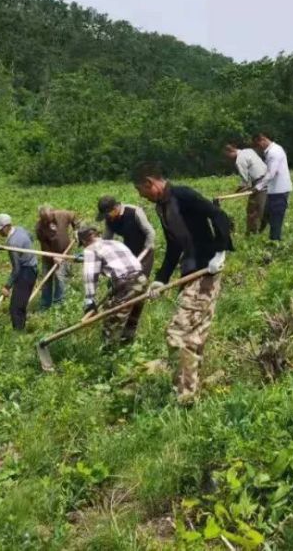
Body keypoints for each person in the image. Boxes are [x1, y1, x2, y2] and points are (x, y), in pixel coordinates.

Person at [133, 162, 233, 404]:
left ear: (151, 183)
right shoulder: (162, 208)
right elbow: (174, 245)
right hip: (189, 270)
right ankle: (190, 390)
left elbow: (218, 214)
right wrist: (160, 280)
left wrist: (220, 251)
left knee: (179, 332)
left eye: (142, 191)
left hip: (205, 269)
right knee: (195, 332)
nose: (143, 197)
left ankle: (185, 393)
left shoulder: (183, 195)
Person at [75, 224, 148, 344]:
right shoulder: (115, 243)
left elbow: (90, 277)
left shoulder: (90, 249)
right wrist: (84, 258)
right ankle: (128, 345)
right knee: (132, 318)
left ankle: (109, 354)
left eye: (82, 244)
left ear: (83, 241)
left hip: (126, 284)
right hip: (142, 279)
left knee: (112, 321)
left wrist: (89, 301)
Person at [0, 213, 38, 331]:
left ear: (6, 227)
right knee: (21, 302)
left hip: (26, 273)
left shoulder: (12, 244)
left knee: (15, 308)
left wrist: (7, 286)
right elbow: (31, 237)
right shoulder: (20, 229)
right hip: (33, 267)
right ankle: (22, 328)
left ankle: (19, 334)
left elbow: (16, 269)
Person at [97, 196, 156, 277]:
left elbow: (150, 232)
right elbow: (106, 239)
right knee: (122, 278)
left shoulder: (134, 212)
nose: (107, 218)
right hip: (128, 249)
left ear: (115, 208)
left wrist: (146, 250)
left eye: (108, 215)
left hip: (145, 248)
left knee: (140, 279)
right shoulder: (109, 220)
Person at [35, 205, 78, 309]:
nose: (47, 222)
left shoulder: (62, 215)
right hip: (49, 257)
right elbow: (44, 246)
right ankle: (45, 304)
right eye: (45, 220)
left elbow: (74, 217)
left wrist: (76, 229)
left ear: (53, 213)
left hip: (64, 255)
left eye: (49, 219)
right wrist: (53, 257)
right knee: (46, 280)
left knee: (60, 278)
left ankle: (59, 304)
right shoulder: (39, 227)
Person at [252, 132, 293, 242]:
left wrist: (258, 187)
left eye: (258, 144)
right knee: (266, 215)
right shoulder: (273, 150)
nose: (258, 148)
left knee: (275, 220)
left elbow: (271, 173)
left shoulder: (274, 152)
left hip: (279, 191)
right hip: (273, 190)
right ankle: (266, 238)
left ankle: (275, 244)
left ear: (263, 139)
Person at [222, 142, 268, 234]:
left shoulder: (239, 160)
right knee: (261, 208)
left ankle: (252, 233)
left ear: (231, 152)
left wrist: (235, 193)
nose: (228, 159)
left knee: (253, 209)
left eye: (227, 156)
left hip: (261, 182)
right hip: (268, 177)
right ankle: (259, 230)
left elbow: (245, 183)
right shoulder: (248, 150)